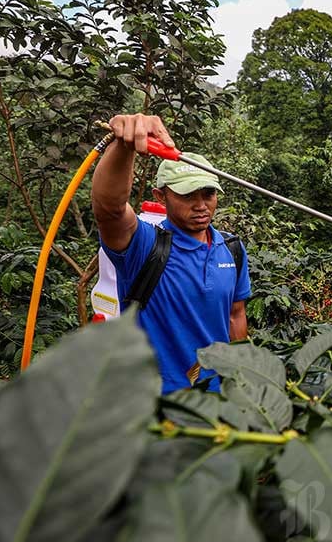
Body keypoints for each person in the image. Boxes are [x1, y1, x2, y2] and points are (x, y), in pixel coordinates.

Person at [91, 113, 250, 394]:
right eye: (188, 195)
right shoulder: (144, 246)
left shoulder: (232, 248)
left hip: (218, 401)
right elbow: (110, 210)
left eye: (208, 194)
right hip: (154, 402)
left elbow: (235, 316)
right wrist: (123, 148)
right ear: (161, 196)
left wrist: (243, 380)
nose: (201, 205)